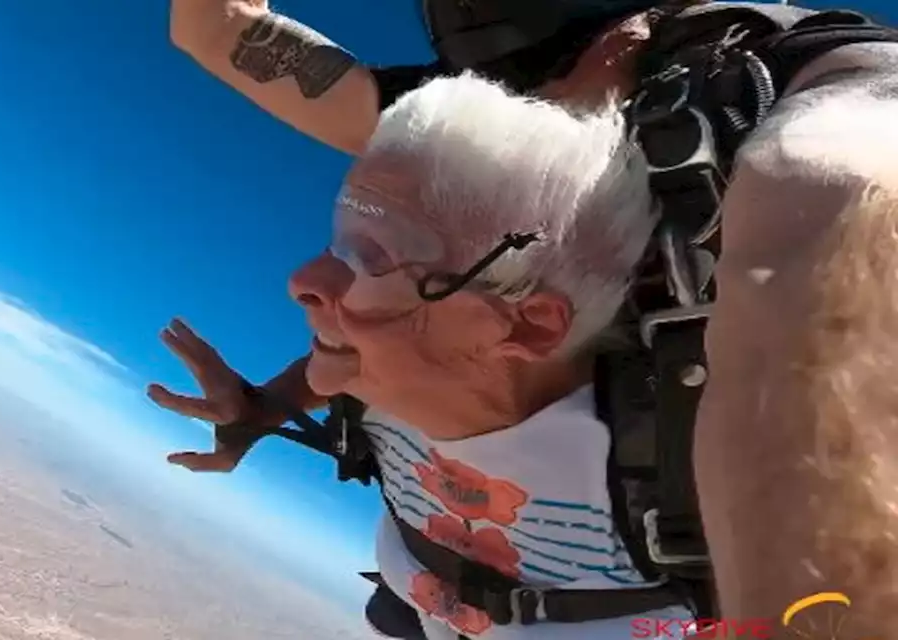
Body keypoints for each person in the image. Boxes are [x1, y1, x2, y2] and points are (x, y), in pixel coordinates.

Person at [155, 1, 898, 635]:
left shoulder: (762, 91)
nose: (526, 111)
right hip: (422, 591)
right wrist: (272, 405)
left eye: (553, 77)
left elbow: (843, 170)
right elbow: (217, 31)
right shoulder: (493, 118)